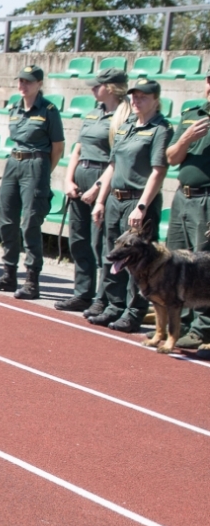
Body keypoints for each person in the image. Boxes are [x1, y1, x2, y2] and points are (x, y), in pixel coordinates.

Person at [89, 78, 172, 334]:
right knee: (112, 254)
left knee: (138, 261)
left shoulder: (161, 129)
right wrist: (101, 200)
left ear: (156, 100)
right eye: (134, 96)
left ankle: (134, 311)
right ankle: (114, 304)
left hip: (138, 200)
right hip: (116, 197)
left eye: (143, 97)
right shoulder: (126, 126)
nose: (136, 100)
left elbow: (158, 171)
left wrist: (143, 206)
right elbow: (112, 166)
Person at [0, 66, 64, 301]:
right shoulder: (15, 107)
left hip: (36, 164)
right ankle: (8, 274)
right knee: (6, 218)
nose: (23, 85)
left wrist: (43, 172)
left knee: (30, 223)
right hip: (13, 162)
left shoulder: (48, 110)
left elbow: (58, 148)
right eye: (20, 81)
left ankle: (32, 279)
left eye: (28, 82)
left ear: (39, 84)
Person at [60, 70, 127, 316]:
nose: (92, 89)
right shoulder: (93, 112)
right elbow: (77, 149)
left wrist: (97, 188)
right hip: (81, 176)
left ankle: (102, 297)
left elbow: (117, 159)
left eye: (97, 86)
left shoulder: (123, 116)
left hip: (103, 179)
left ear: (110, 88)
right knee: (78, 240)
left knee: (100, 244)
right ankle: (82, 292)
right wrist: (68, 180)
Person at [164, 84, 210, 350]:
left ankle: (202, 329)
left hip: (206, 199)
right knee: (176, 259)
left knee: (203, 265)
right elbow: (171, 157)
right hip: (183, 196)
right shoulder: (191, 114)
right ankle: (181, 319)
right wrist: (186, 139)